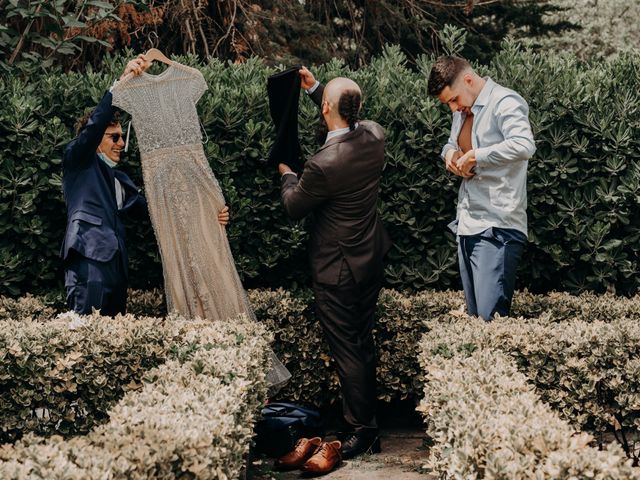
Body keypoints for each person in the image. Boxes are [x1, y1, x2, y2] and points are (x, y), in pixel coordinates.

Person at [110, 54, 290, 395]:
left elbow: (197, 159)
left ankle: (237, 366)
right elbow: (113, 97)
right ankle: (203, 374)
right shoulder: (132, 91)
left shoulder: (189, 81)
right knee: (181, 270)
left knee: (214, 268)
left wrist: (216, 201)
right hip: (164, 198)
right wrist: (126, 73)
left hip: (199, 193)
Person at [279, 67, 391, 461]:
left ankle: (362, 431)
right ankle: (365, 424)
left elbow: (293, 206)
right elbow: (347, 118)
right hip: (369, 260)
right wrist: (315, 90)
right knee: (361, 344)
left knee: (348, 351)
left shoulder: (324, 163)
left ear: (327, 108)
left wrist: (288, 174)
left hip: (337, 269)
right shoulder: (374, 136)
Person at [61, 55, 230, 317]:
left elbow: (159, 211)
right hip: (88, 259)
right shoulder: (78, 160)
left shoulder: (121, 180)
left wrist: (209, 213)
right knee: (84, 331)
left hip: (117, 269)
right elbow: (94, 127)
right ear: (94, 140)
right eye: (114, 137)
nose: (120, 144)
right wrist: (122, 81)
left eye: (121, 138)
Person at [427, 55, 536, 321]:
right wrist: (451, 155)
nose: (453, 109)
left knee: (490, 322)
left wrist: (476, 155)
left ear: (468, 79)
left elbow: (524, 145)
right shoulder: (463, 110)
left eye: (454, 100)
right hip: (467, 223)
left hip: (497, 227)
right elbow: (450, 144)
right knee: (476, 322)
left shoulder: (505, 102)